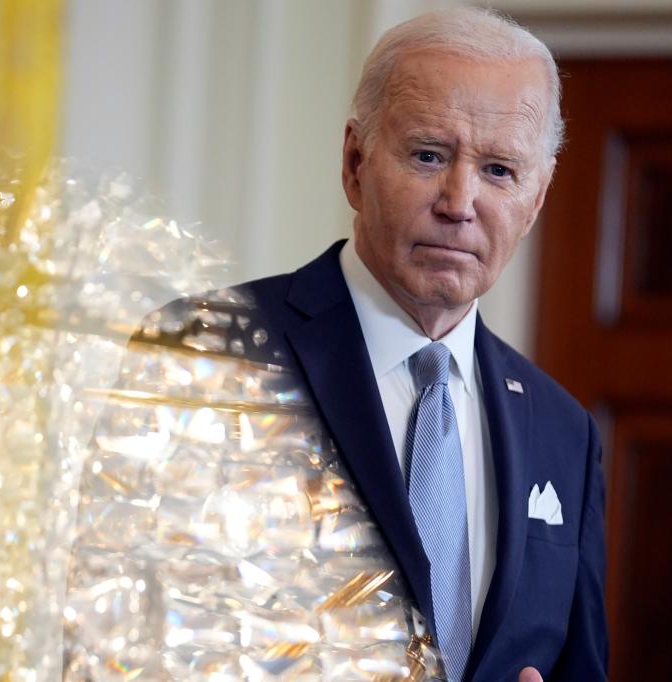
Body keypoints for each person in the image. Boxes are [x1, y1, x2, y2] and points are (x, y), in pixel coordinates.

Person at [140, 7, 607, 681]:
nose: (460, 200)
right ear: (354, 164)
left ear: (535, 201)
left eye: (500, 171)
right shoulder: (204, 352)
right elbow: (118, 630)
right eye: (428, 155)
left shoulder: (565, 431)